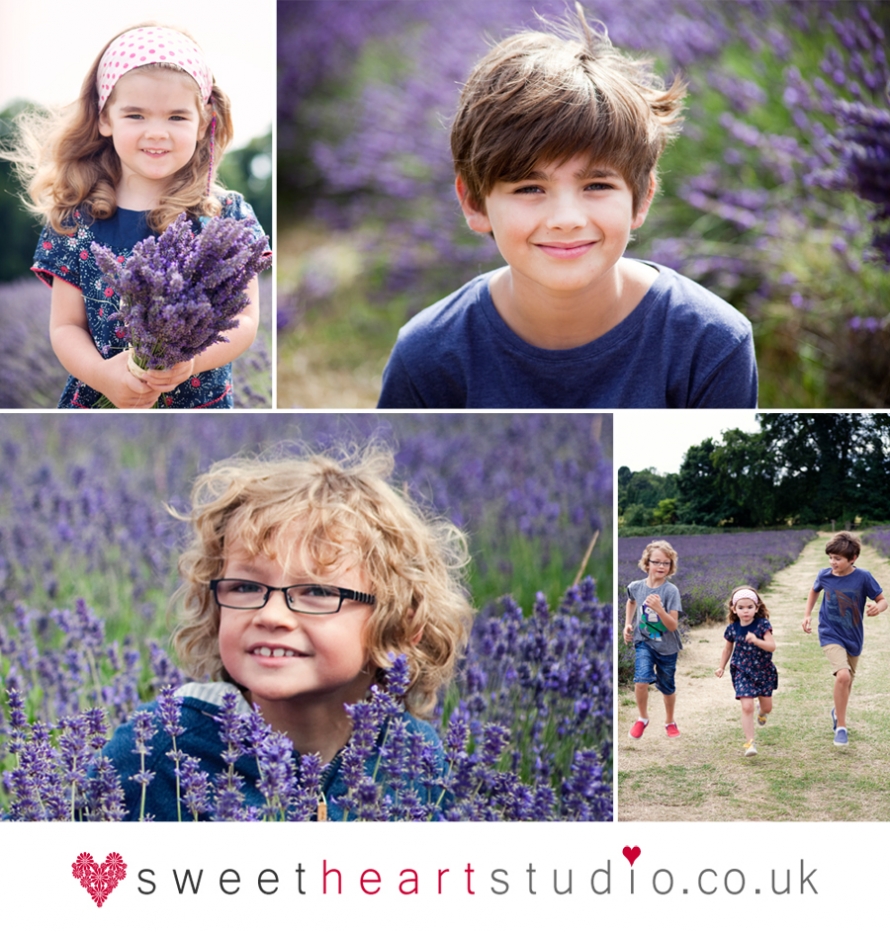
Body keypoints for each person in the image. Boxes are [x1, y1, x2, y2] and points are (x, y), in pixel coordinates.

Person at [377, 7, 757, 409]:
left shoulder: (712, 343)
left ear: (641, 199)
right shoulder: (427, 357)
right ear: (474, 202)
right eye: (529, 188)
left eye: (596, 185)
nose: (566, 220)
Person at [102, 444, 474, 820]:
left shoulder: (413, 757)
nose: (271, 615)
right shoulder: (156, 748)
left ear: (404, 624)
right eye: (245, 587)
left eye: (317, 592)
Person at [8, 23, 268, 408]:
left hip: (198, 407)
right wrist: (103, 376)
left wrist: (193, 360)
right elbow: (66, 327)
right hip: (100, 400)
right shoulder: (76, 220)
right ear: (104, 118)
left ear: (203, 122)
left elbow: (245, 320)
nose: (157, 132)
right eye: (136, 116)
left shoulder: (224, 216)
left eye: (177, 117)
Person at [802, 531, 886, 748]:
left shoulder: (863, 577)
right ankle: (841, 726)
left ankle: (836, 711)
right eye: (830, 557)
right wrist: (807, 615)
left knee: (846, 684)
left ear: (853, 558)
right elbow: (814, 591)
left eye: (837, 558)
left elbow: (882, 599)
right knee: (843, 676)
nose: (833, 562)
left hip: (854, 637)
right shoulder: (825, 575)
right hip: (830, 633)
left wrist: (879, 607)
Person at [624, 540, 683, 739]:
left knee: (667, 687)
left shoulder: (670, 591)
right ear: (647, 563)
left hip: (667, 647)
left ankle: (670, 721)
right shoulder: (636, 586)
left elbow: (673, 625)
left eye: (666, 563)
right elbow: (631, 601)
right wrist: (627, 623)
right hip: (644, 642)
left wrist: (659, 609)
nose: (661, 566)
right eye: (656, 562)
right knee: (641, 680)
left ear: (671, 566)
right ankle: (642, 718)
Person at [715, 586, 777, 757]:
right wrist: (721, 666)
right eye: (741, 607)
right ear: (734, 609)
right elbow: (727, 650)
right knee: (746, 706)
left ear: (756, 608)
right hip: (741, 670)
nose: (745, 611)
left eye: (749, 607)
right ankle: (750, 743)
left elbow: (772, 646)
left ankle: (762, 712)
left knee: (767, 707)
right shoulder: (733, 628)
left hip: (763, 671)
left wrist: (757, 640)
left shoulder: (763, 625)